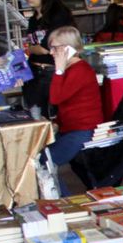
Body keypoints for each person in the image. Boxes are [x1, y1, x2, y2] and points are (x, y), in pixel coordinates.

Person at [43, 26, 105, 187]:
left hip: (83, 131)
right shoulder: (73, 69)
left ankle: (61, 202)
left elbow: (55, 98)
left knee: (44, 163)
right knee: (40, 155)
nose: (51, 53)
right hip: (72, 129)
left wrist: (58, 70)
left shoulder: (80, 71)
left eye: (55, 48)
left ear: (69, 49)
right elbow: (66, 103)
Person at [21, 0, 73, 114]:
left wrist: (29, 49)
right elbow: (35, 45)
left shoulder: (58, 14)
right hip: (33, 73)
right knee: (34, 116)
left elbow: (45, 48)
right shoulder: (33, 19)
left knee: (53, 116)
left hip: (51, 71)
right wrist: (32, 49)